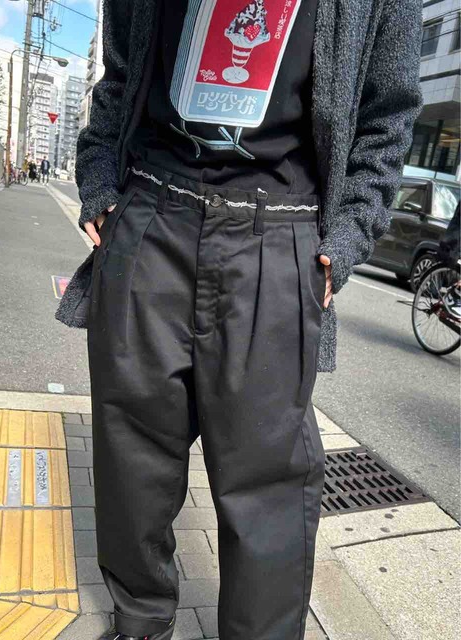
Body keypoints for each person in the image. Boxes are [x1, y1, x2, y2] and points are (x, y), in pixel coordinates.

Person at [55, 1, 424, 639]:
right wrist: (98, 180)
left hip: (282, 232)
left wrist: (349, 233)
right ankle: (139, 620)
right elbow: (119, 71)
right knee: (131, 452)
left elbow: (387, 113)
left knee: (269, 478)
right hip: (150, 211)